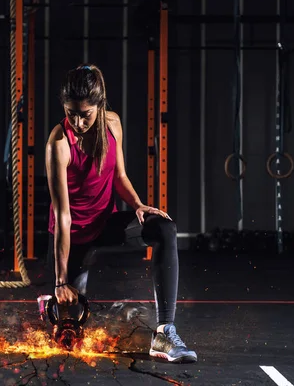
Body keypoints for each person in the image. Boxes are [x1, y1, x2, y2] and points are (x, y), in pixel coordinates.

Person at [44, 63, 197, 363]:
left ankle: (164, 333)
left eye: (84, 114)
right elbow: (63, 216)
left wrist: (139, 205)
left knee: (165, 228)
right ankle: (53, 301)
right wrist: (61, 280)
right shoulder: (58, 144)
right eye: (70, 113)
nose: (77, 121)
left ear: (99, 107)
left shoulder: (113, 124)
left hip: (104, 224)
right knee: (69, 338)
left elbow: (119, 176)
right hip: (72, 237)